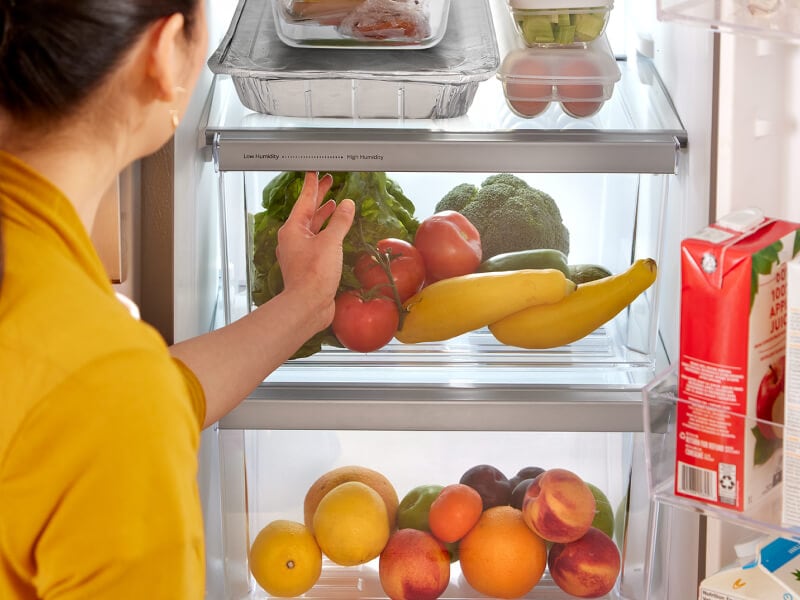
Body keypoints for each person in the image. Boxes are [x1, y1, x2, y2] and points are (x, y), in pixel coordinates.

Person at [0, 1, 354, 597]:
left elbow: (82, 414)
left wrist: (306, 304)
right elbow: (104, 410)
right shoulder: (104, 391)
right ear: (164, 54)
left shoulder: (78, 364)